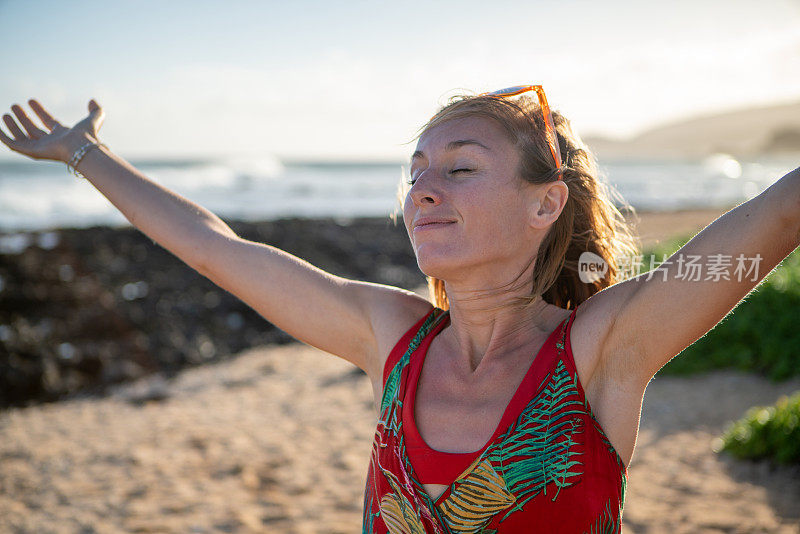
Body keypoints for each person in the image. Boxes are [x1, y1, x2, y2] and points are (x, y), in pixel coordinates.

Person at [1, 86, 798, 533]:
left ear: (545, 203)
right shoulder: (394, 338)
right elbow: (218, 249)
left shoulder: (603, 346)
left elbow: (779, 213)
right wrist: (83, 153)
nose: (424, 188)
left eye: (461, 167)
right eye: (416, 170)